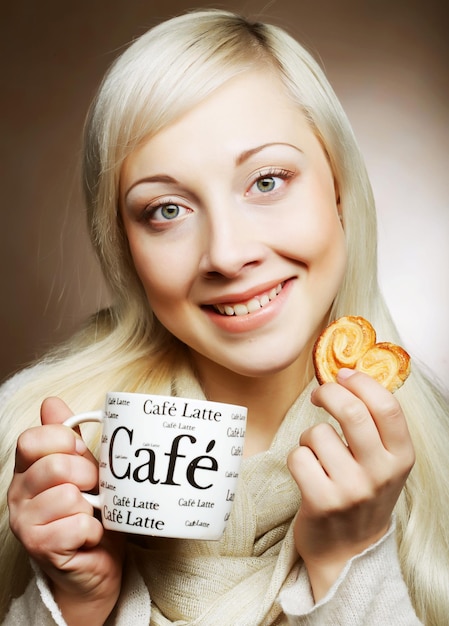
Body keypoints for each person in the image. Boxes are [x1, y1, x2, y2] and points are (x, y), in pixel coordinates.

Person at [1, 9, 448, 625]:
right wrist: (74, 604)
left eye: (267, 181)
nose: (229, 254)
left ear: (339, 189)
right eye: (166, 210)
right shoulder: (35, 453)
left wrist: (352, 560)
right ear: (124, 246)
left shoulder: (439, 463)